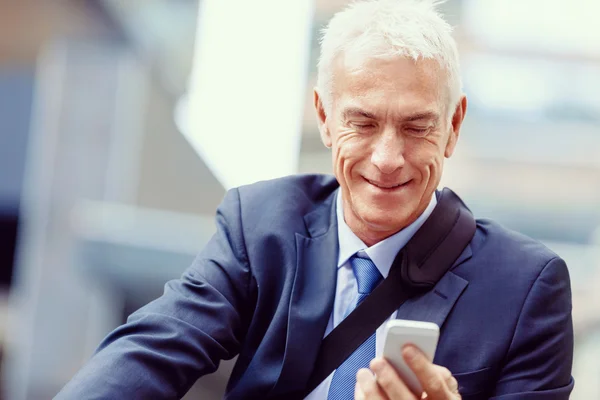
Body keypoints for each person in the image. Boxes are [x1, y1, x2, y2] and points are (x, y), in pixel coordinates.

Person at [57, 0, 574, 399]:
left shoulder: (527, 288)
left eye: (417, 127)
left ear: (453, 126)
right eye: (363, 123)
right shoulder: (260, 226)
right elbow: (151, 352)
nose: (388, 158)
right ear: (325, 118)